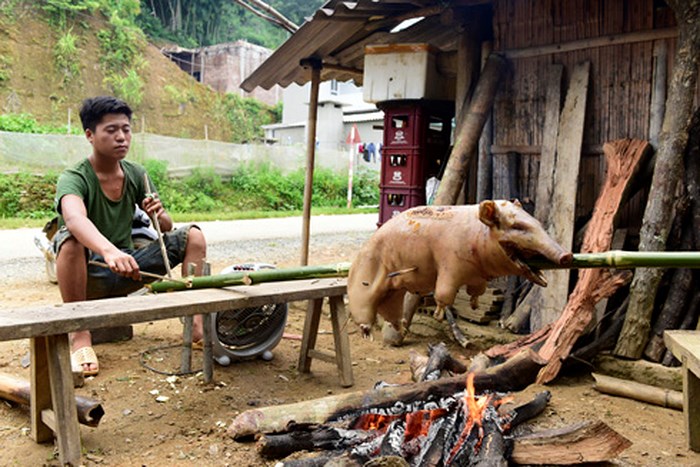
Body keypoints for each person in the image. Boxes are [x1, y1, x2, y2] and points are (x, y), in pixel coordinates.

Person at [54, 96, 207, 376]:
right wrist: (110, 251)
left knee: (193, 236)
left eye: (126, 129)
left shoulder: (137, 173)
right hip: (91, 273)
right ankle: (80, 334)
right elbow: (75, 219)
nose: (122, 137)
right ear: (90, 135)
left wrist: (157, 214)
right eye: (111, 130)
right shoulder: (74, 177)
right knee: (70, 241)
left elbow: (167, 227)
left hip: (130, 269)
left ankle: (196, 325)